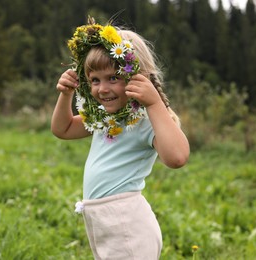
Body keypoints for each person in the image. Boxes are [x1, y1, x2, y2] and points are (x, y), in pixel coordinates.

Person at [51, 17, 190, 260]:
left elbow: (177, 157)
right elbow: (62, 129)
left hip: (126, 223)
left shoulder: (145, 119)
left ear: (138, 77)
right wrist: (66, 95)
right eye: (95, 80)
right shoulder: (104, 116)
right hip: (102, 221)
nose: (102, 89)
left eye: (113, 78)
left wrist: (155, 102)